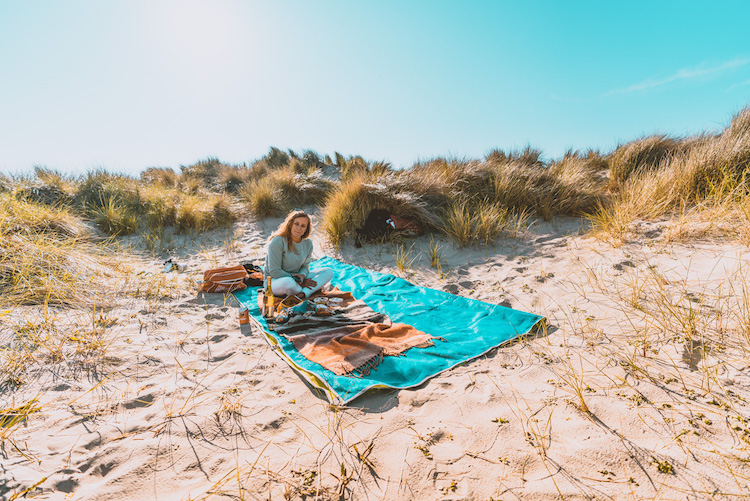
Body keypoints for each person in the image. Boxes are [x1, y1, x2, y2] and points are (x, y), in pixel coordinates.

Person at [264, 209, 333, 300]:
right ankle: (306, 291)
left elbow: (305, 266)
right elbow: (274, 271)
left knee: (328, 271)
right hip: (276, 281)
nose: (299, 228)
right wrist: (299, 281)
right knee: (289, 283)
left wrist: (302, 276)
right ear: (290, 224)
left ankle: (301, 295)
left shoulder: (308, 243)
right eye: (296, 224)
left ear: (306, 229)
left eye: (303, 226)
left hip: (298, 279)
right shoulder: (277, 241)